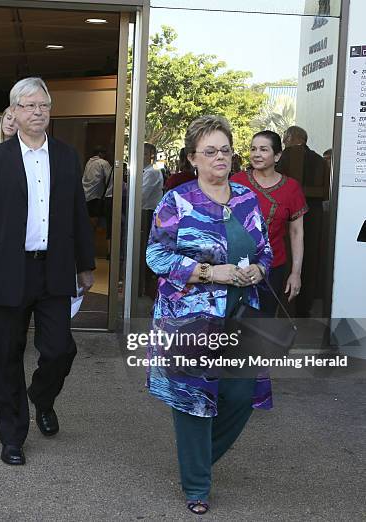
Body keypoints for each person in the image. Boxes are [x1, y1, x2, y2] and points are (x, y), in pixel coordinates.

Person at [0, 77, 95, 466]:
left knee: (59, 350)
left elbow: (78, 215)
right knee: (6, 355)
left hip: (53, 271)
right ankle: (12, 436)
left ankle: (41, 397)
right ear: (14, 112)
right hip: (7, 270)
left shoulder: (68, 156)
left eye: (44, 106)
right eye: (30, 106)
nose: (38, 112)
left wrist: (85, 265)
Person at [146, 115, 273, 515]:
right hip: (190, 317)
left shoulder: (247, 198)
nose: (220, 157)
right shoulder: (177, 201)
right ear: (193, 159)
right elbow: (155, 254)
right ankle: (197, 484)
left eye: (225, 149)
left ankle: (196, 459)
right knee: (195, 400)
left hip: (241, 314)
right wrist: (207, 272)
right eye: (210, 151)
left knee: (239, 394)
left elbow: (265, 249)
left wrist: (260, 269)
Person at [233, 131, 307, 316]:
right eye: (253, 149)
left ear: (277, 156)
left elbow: (297, 232)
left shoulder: (291, 188)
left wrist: (295, 273)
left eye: (263, 149)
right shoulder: (236, 182)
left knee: (262, 323)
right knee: (231, 323)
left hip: (272, 268)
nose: (256, 154)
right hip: (234, 265)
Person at [277, 125, 327, 317]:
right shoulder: (321, 161)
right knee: (310, 257)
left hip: (292, 213)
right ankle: (305, 306)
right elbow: (325, 192)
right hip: (314, 214)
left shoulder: (289, 155)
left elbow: (280, 183)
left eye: (284, 137)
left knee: (290, 256)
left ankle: (286, 306)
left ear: (291, 137)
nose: (283, 141)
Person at [140, 143, 164, 297]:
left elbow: (141, 196)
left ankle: (145, 286)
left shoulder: (152, 172)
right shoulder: (144, 171)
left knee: (145, 250)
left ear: (151, 156)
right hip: (144, 212)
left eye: (143, 153)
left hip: (147, 214)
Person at [82, 146, 112, 219]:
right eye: (104, 153)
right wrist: (109, 195)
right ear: (100, 153)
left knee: (89, 218)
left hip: (86, 194)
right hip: (97, 195)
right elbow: (110, 179)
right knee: (98, 219)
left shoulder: (89, 162)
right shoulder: (103, 163)